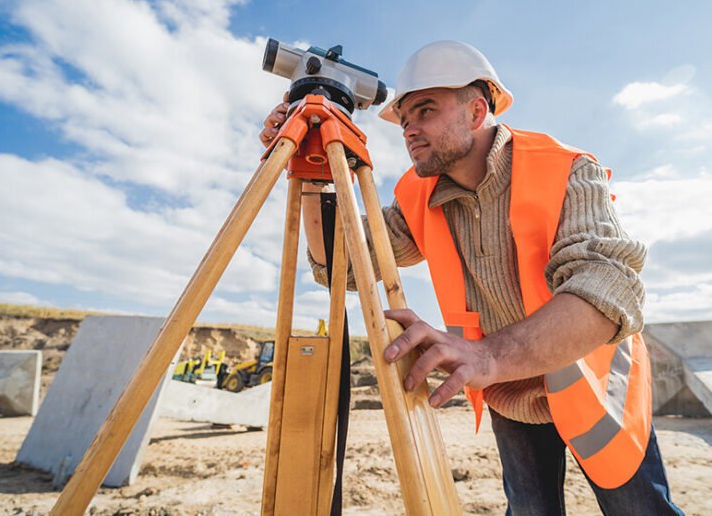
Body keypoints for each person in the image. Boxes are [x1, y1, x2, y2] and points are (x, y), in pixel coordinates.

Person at [261, 41, 682, 515]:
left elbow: (608, 287)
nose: (410, 131)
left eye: (424, 111)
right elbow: (341, 260)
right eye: (404, 121)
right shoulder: (417, 196)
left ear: (478, 110)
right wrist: (315, 165)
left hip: (591, 378)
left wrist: (483, 356)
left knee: (641, 509)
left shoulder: (564, 169)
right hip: (510, 391)